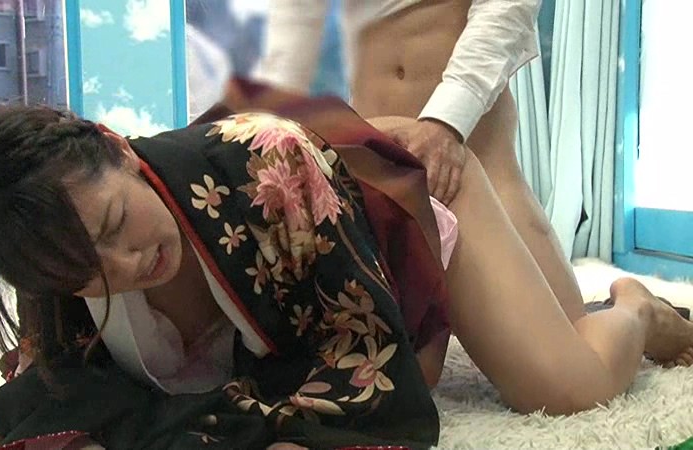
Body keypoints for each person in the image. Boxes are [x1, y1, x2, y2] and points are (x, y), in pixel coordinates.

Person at [0, 81, 693, 450]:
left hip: (392, 200)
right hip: (321, 196)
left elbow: (364, 360)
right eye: (86, 272)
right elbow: (47, 401)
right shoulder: (54, 258)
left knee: (565, 388)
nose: (127, 263)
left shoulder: (265, 161)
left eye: (114, 224)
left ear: (117, 148)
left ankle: (635, 304)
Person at [253, 0, 613, 382]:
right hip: (381, 156)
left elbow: (507, 7)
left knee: (570, 358)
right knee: (374, 362)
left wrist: (447, 121)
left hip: (468, 149)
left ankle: (640, 310)